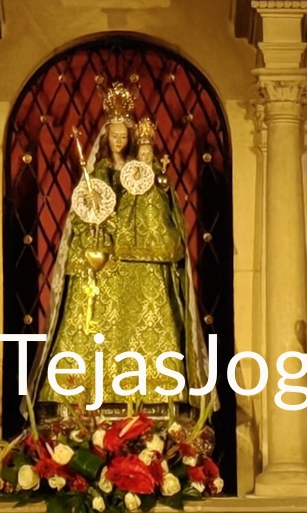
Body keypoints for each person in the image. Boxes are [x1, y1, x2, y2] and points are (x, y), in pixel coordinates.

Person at [29, 80, 204, 419]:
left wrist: (152, 181)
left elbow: (161, 216)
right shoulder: (99, 174)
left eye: (125, 136)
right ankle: (80, 395)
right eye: (115, 136)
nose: (120, 141)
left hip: (144, 263)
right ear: (107, 138)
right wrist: (97, 219)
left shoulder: (148, 174)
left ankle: (156, 395)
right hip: (104, 261)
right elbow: (84, 214)